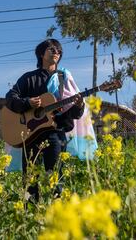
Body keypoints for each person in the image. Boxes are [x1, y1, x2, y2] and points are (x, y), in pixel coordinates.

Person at [5, 38, 85, 202]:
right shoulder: (29, 78)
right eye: (52, 49)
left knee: (55, 176)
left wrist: (79, 105)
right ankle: (29, 213)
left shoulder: (64, 78)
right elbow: (10, 98)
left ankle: (56, 214)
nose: (57, 52)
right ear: (41, 53)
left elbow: (73, 114)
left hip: (55, 133)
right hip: (31, 134)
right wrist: (27, 102)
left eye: (59, 50)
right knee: (30, 177)